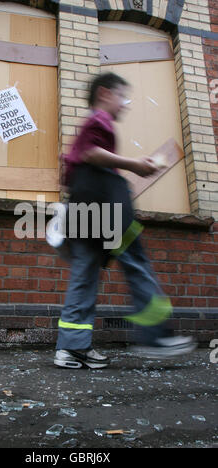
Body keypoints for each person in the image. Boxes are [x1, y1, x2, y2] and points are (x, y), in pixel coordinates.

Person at [52, 72, 196, 369]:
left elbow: (72, 168)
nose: (125, 105)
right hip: (105, 208)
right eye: (122, 96)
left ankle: (71, 348)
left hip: (85, 210)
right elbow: (93, 153)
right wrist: (134, 164)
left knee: (85, 278)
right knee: (136, 264)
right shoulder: (99, 121)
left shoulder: (90, 125)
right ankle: (156, 337)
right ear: (104, 93)